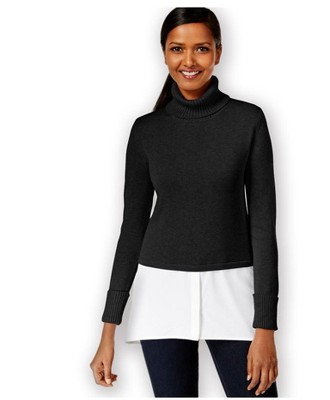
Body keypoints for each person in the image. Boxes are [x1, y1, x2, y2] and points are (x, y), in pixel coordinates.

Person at [90, 7, 280, 398]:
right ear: (164, 53)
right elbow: (132, 230)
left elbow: (262, 225)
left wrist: (265, 327)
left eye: (201, 49)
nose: (189, 60)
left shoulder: (248, 121)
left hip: (233, 290)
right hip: (160, 292)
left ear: (218, 52)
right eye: (177, 48)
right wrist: (108, 330)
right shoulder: (147, 131)